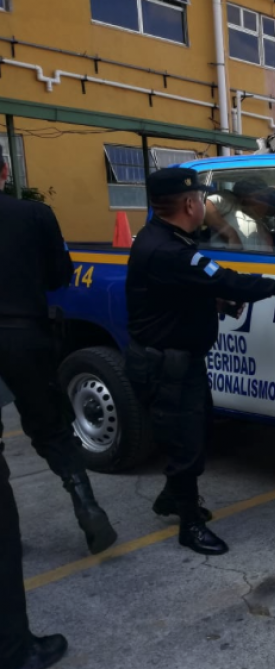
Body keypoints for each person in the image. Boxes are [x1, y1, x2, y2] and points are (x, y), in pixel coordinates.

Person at [125, 167, 275, 556]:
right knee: (186, 444)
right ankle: (189, 526)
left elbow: (178, 293)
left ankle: (171, 497)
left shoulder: (164, 239)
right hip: (168, 366)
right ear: (189, 204)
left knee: (195, 434)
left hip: (177, 361)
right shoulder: (171, 251)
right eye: (201, 198)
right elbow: (230, 280)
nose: (205, 204)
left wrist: (213, 302)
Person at [0, 150, 74, 669]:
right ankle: (83, 498)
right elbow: (59, 275)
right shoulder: (31, 214)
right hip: (23, 334)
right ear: (5, 172)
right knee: (49, 426)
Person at [204, 179, 275, 251]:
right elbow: (206, 205)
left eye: (265, 198)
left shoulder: (260, 222)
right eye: (260, 197)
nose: (264, 202)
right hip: (227, 258)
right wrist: (231, 234)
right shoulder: (231, 202)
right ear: (245, 196)